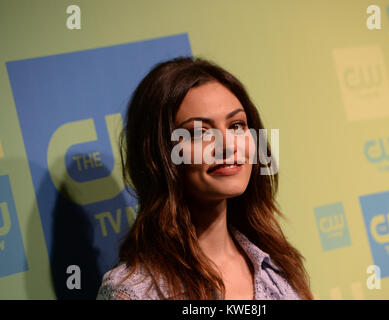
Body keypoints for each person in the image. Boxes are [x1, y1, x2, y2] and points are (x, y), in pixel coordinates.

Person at [96, 57, 313, 300]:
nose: (228, 146)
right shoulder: (133, 292)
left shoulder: (278, 267)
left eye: (236, 125)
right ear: (158, 155)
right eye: (199, 132)